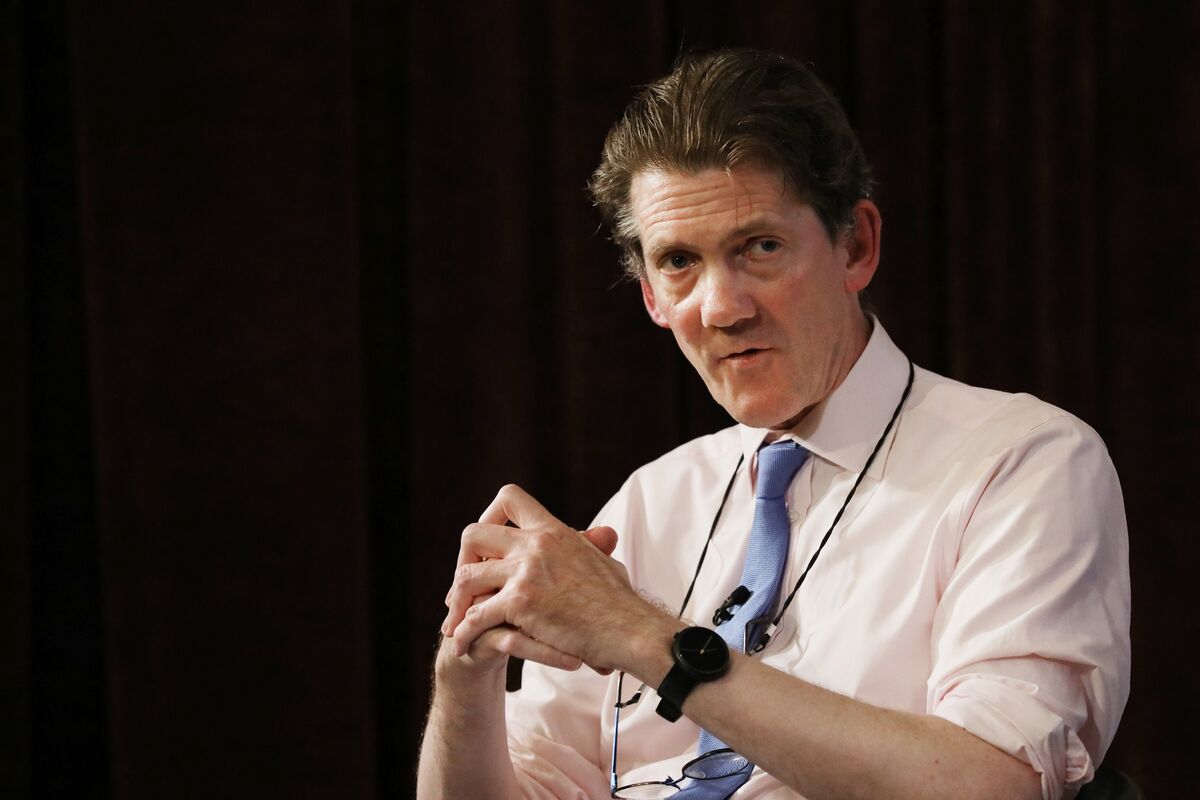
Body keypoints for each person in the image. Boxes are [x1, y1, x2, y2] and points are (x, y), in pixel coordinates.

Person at [416, 49, 1130, 800]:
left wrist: (639, 634)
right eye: (679, 261)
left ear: (857, 246)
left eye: (759, 248)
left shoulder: (1021, 462)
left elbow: (994, 784)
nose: (722, 308)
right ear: (651, 296)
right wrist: (466, 674)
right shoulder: (652, 502)